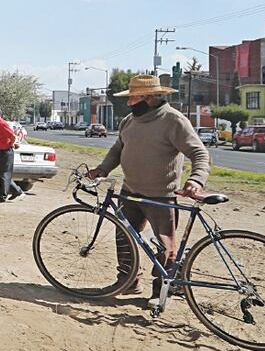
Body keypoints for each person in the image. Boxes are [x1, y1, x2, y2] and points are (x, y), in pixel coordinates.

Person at [87, 75, 210, 305]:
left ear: (150, 98)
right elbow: (117, 149)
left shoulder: (173, 120)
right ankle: (128, 281)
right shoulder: (129, 121)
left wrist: (196, 180)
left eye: (134, 98)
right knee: (124, 237)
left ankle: (160, 291)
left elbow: (199, 153)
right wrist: (102, 169)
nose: (130, 103)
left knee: (166, 246)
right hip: (130, 190)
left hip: (161, 195)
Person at [0, 106, 23, 203]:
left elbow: (12, 136)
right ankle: (16, 190)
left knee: (4, 175)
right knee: (1, 174)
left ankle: (2, 197)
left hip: (6, 152)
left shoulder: (2, 123)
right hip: (1, 152)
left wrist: (12, 144)